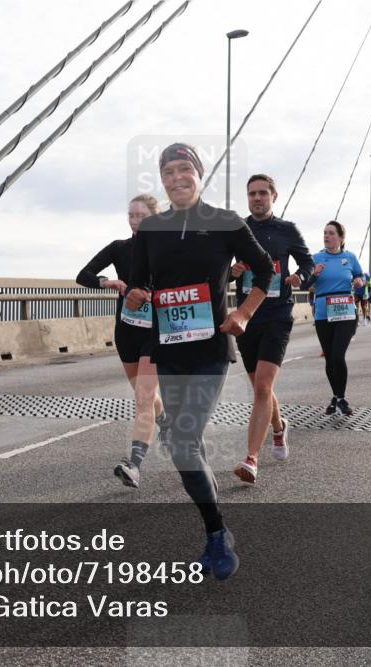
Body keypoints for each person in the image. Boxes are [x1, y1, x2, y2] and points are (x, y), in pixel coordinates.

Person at [125, 142, 274, 581]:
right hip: (168, 349)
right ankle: (214, 525)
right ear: (161, 180)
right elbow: (138, 282)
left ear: (199, 174)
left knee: (183, 442)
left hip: (210, 349)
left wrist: (243, 313)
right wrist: (134, 293)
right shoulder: (152, 229)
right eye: (168, 172)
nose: (176, 178)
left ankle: (217, 534)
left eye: (183, 169)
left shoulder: (225, 222)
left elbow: (265, 270)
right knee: (186, 445)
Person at [77, 194, 167, 488]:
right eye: (131, 215)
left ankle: (134, 465)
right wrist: (108, 282)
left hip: (156, 331)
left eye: (141, 216)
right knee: (145, 396)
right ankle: (164, 421)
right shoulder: (120, 248)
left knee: (143, 397)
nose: (135, 221)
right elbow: (83, 275)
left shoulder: (167, 249)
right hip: (126, 330)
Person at [230, 174, 313, 484]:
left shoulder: (287, 230)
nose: (257, 198)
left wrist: (301, 277)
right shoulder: (238, 229)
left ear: (274, 197)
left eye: (263, 193)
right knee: (260, 388)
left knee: (263, 387)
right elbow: (220, 270)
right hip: (247, 316)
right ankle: (279, 427)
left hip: (278, 313)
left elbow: (307, 263)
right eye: (252, 193)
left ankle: (251, 458)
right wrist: (232, 271)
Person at [304, 221, 365, 416]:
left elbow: (361, 277)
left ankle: (341, 398)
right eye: (325, 233)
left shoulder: (350, 257)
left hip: (345, 311)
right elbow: (305, 285)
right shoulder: (316, 258)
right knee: (330, 358)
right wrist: (314, 275)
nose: (327, 236)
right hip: (323, 312)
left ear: (341, 237)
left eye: (331, 233)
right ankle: (337, 397)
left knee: (338, 355)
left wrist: (359, 281)